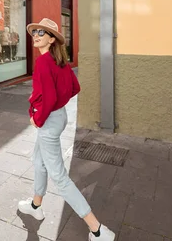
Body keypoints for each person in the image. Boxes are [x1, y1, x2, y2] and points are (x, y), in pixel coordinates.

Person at [17, 18, 116, 241]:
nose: (36, 35)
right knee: (38, 160)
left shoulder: (43, 62)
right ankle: (35, 205)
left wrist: (37, 117)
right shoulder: (60, 61)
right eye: (35, 32)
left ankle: (98, 230)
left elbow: (49, 96)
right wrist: (53, 107)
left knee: (60, 177)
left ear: (51, 39)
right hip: (59, 116)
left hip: (49, 120)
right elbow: (74, 88)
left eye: (42, 32)